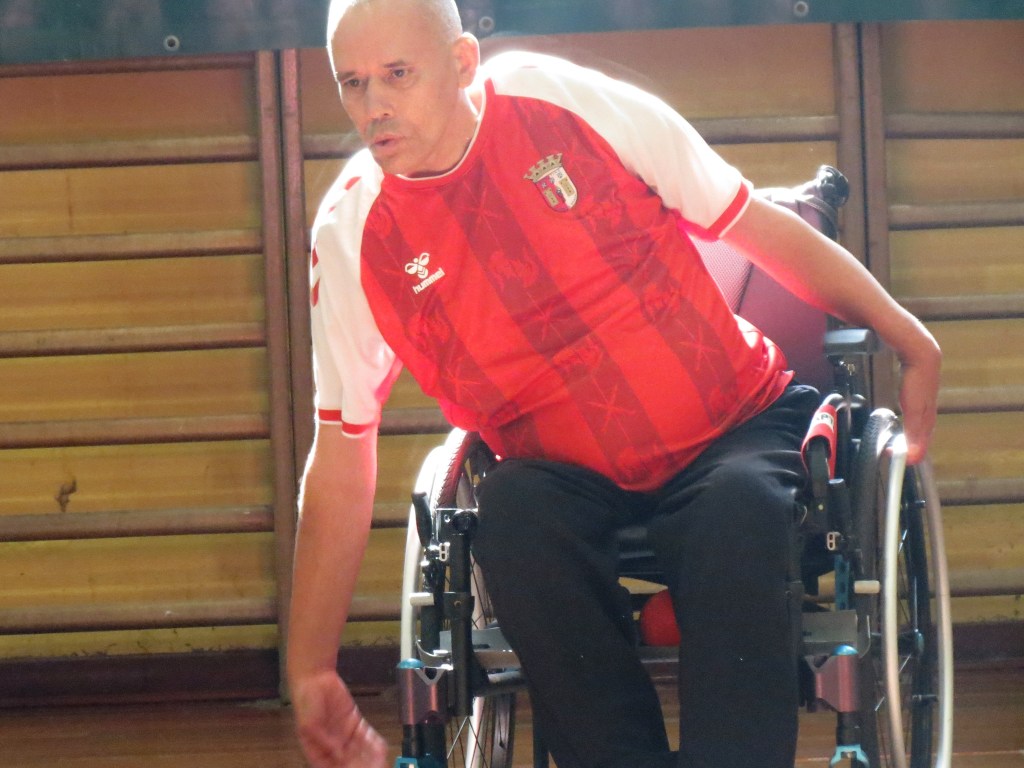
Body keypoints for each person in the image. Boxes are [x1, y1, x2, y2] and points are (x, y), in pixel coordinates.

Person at [285, 0, 942, 766]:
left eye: (398, 74)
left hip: (732, 426)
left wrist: (906, 336)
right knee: (510, 517)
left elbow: (755, 227)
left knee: (737, 507)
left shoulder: (564, 103)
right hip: (561, 477)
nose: (374, 105)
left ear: (462, 63)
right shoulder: (352, 232)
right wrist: (310, 666)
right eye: (352, 82)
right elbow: (342, 453)